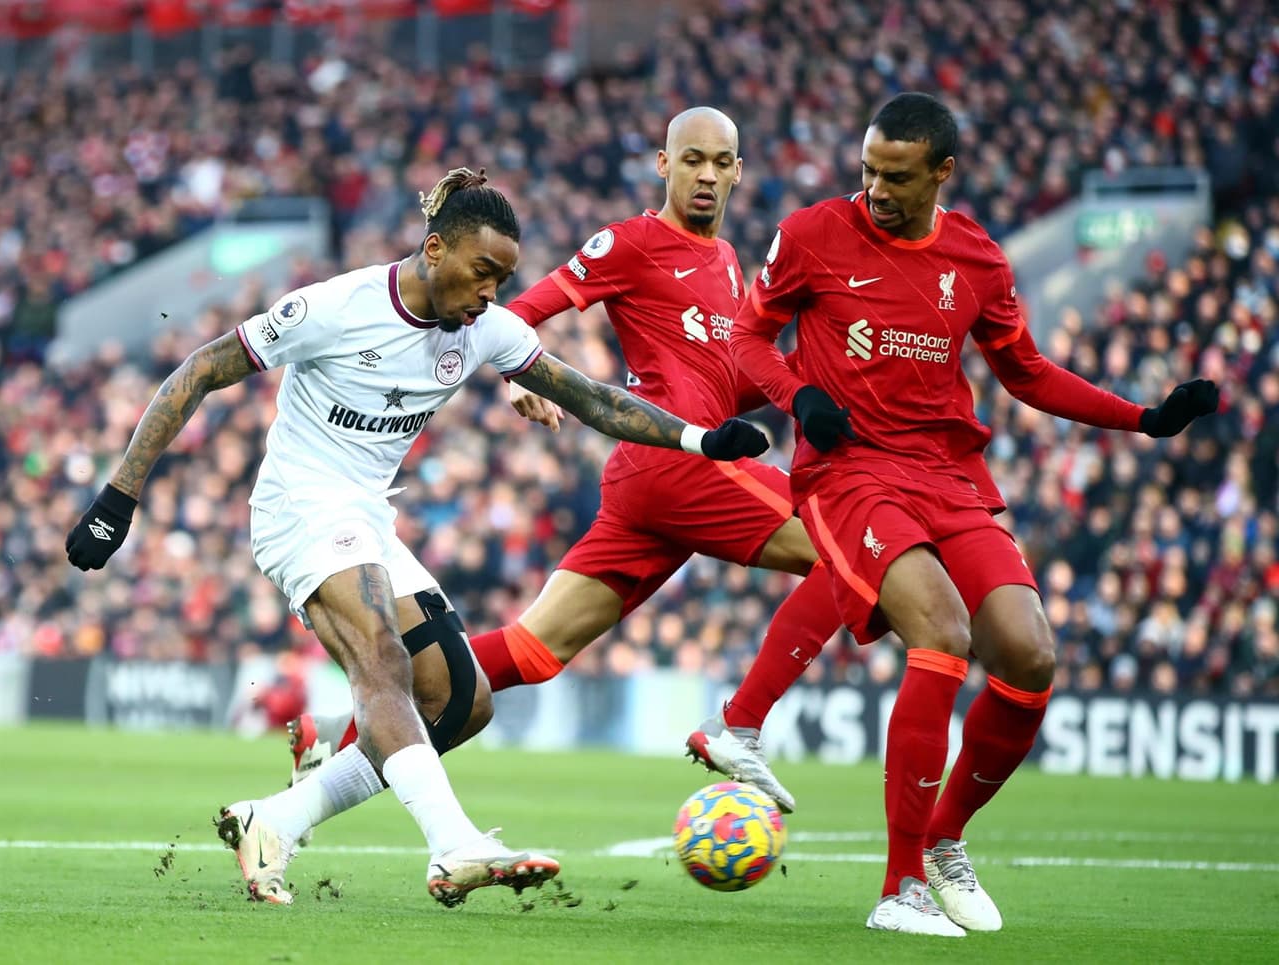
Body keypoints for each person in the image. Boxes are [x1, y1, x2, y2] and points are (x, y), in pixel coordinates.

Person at [65, 168, 768, 908]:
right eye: (482, 272)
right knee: (384, 660)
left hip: (367, 514)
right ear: (435, 249)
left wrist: (700, 438)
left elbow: (590, 397)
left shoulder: (484, 329)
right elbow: (201, 367)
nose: (492, 292)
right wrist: (120, 493)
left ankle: (274, 820)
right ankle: (453, 843)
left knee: (462, 702)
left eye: (503, 278)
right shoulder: (337, 307)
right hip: (299, 508)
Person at [730, 93, 1219, 937]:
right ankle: (900, 888)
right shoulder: (812, 233)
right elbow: (746, 338)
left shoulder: (978, 258)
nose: (876, 189)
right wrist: (798, 394)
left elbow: (1026, 373)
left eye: (896, 176)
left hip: (950, 477)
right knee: (944, 632)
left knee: (1030, 655)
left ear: (942, 173)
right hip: (850, 474)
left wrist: (1142, 417)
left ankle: (946, 839)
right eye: (868, 169)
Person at [286, 107, 844, 814]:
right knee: (845, 547)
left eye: (721, 161)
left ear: (738, 170)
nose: (706, 173)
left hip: (659, 479)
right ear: (664, 164)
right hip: (674, 461)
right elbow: (523, 307)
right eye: (692, 158)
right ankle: (741, 721)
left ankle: (334, 748)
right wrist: (517, 374)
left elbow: (727, 385)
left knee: (534, 651)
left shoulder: (729, 262)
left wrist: (805, 378)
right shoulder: (631, 242)